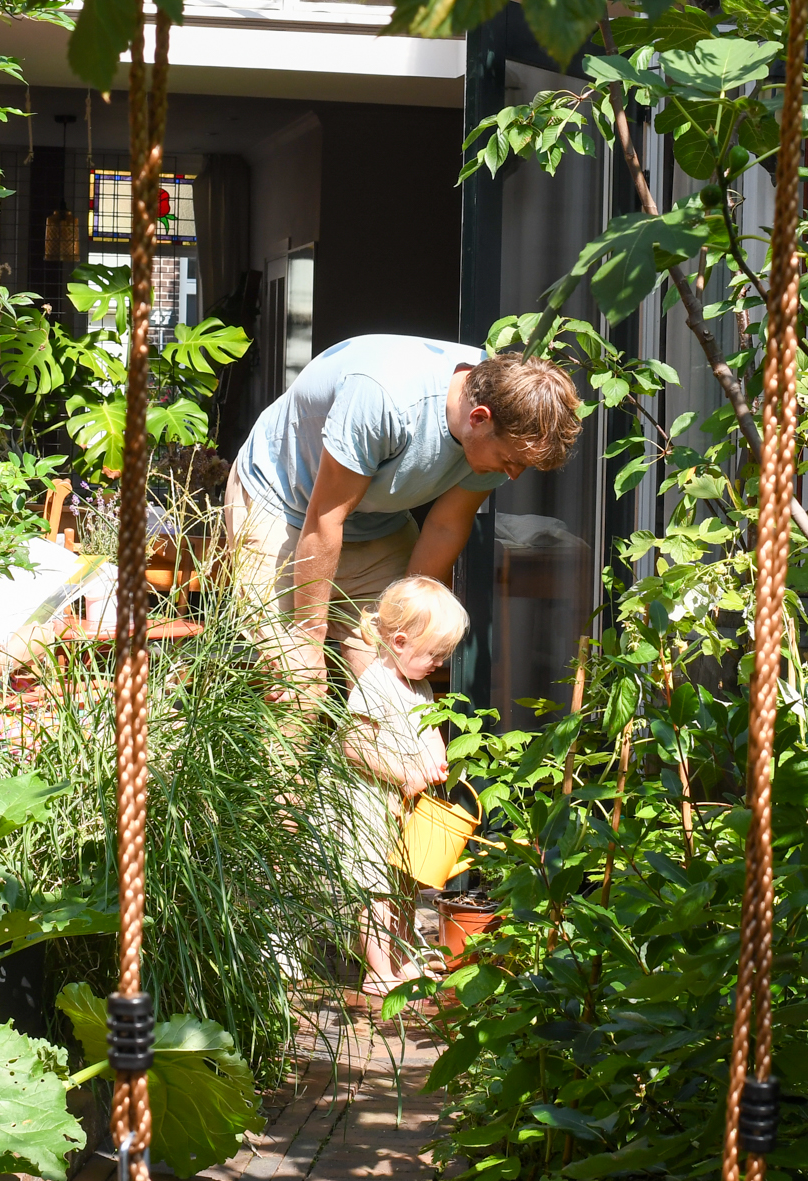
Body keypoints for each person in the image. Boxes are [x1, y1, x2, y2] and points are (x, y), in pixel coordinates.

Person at [224, 336, 581, 692]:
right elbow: (325, 518)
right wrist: (308, 636)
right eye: (510, 461)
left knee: (394, 691)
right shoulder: (385, 398)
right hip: (285, 504)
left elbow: (445, 525)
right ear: (479, 418)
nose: (513, 475)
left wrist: (411, 620)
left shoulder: (501, 415)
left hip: (377, 520)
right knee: (296, 685)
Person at [340, 576, 464, 996]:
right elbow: (353, 746)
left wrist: (436, 756)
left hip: (407, 805)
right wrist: (403, 773)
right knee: (378, 889)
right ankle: (378, 970)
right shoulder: (374, 685)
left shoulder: (420, 685)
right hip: (372, 803)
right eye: (435, 654)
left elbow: (428, 731)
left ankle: (404, 957)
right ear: (398, 641)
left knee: (406, 884)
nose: (440, 664)